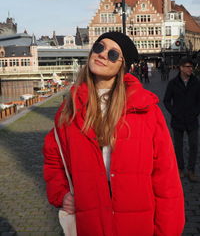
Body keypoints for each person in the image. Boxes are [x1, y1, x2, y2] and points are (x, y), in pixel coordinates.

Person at [43, 32, 185, 236]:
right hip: (90, 224)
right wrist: (61, 193)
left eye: (112, 54)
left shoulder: (145, 110)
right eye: (99, 47)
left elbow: (166, 178)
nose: (102, 54)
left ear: (123, 66)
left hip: (137, 226)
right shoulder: (70, 108)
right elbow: (53, 158)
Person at [164, 57, 200, 182]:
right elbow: (166, 101)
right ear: (181, 68)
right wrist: (174, 113)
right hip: (178, 120)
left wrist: (195, 112)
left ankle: (191, 171)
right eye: (188, 66)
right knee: (178, 147)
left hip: (192, 120)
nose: (191, 69)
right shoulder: (172, 83)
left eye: (191, 67)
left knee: (194, 145)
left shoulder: (196, 82)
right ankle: (180, 168)